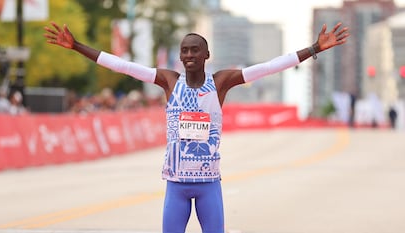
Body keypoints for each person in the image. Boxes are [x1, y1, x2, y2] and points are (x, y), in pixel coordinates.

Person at [44, 21, 349, 233]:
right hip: (175, 185)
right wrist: (76, 47)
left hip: (208, 186)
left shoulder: (221, 83)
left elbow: (269, 67)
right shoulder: (168, 81)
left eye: (194, 50)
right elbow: (122, 66)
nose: (188, 55)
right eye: (184, 51)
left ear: (206, 56)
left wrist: (314, 48)